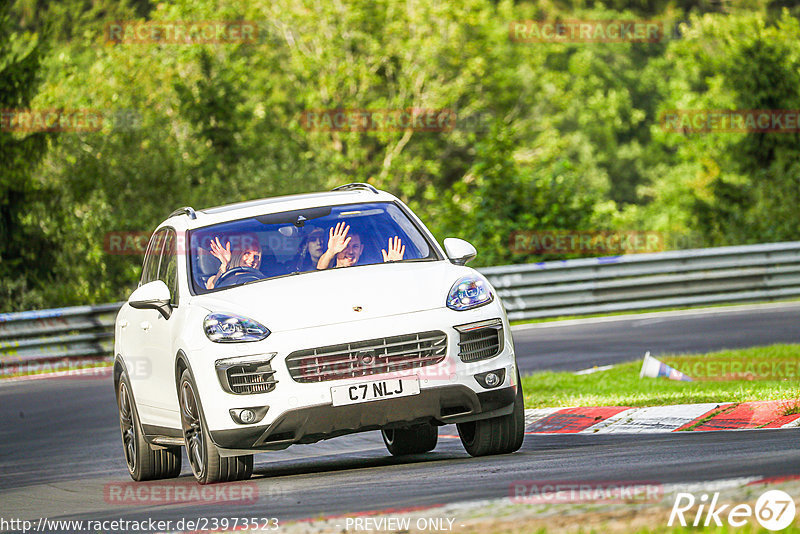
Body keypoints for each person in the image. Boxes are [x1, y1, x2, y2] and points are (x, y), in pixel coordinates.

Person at [316, 221, 405, 270]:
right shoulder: (329, 275)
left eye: (355, 247)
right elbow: (320, 270)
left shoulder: (370, 272)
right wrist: (330, 252)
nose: (350, 251)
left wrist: (392, 267)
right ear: (337, 249)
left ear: (361, 250)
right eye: (346, 246)